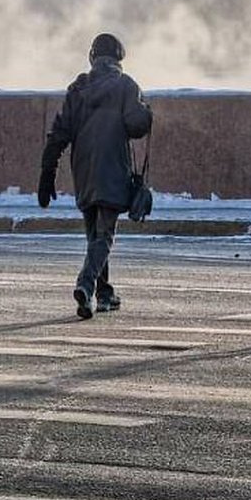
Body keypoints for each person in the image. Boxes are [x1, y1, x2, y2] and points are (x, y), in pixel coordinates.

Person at [38, 33, 153, 318]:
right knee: (105, 236)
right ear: (118, 59)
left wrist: (47, 172)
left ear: (92, 57)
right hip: (113, 168)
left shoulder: (78, 90)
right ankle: (86, 284)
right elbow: (136, 125)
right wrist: (146, 112)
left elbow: (59, 133)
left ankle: (103, 294)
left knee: (94, 236)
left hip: (84, 170)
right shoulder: (125, 86)